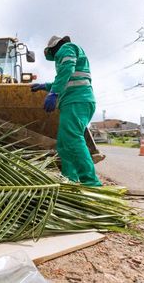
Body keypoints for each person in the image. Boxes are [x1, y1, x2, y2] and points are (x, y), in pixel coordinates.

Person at [31, 36, 102, 187]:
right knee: (63, 143)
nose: (54, 58)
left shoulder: (67, 48)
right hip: (74, 101)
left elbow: (67, 69)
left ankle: (91, 182)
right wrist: (45, 86)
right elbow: (68, 78)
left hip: (77, 100)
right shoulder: (68, 51)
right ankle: (70, 178)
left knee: (73, 139)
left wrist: (54, 92)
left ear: (54, 47)